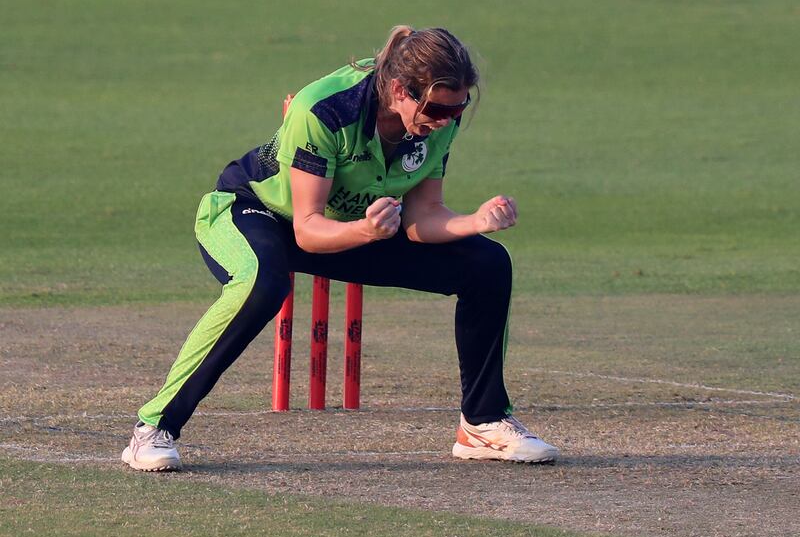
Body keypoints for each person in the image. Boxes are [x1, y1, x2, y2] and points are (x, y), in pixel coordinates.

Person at [122, 25, 559, 471]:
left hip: (357, 226)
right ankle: (153, 428)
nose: (445, 120)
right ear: (397, 89)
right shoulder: (327, 109)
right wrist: (367, 232)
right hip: (256, 212)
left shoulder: (439, 117)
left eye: (458, 107)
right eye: (436, 108)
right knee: (262, 282)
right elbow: (308, 230)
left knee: (486, 263)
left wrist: (476, 222)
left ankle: (482, 424)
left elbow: (423, 216)